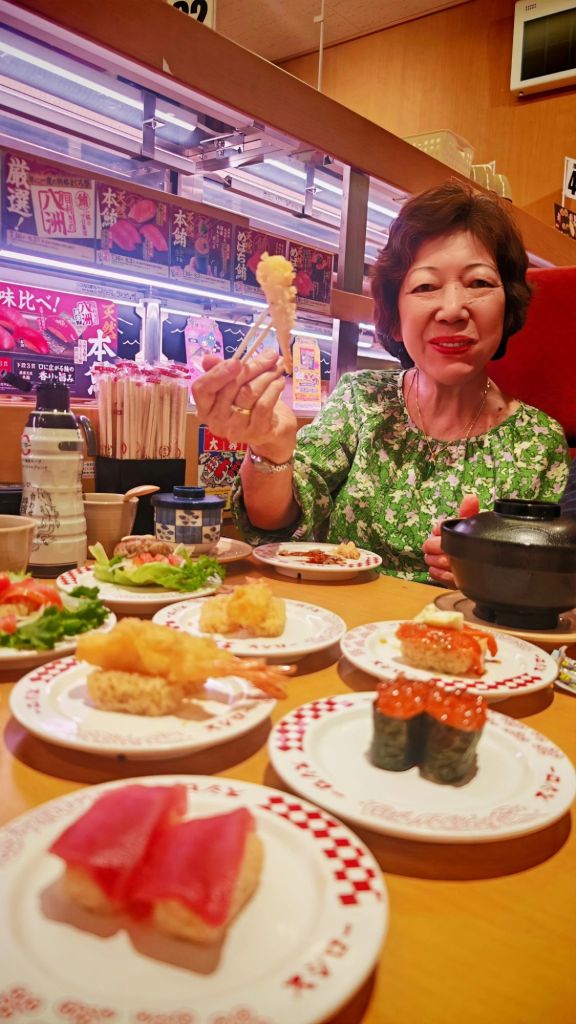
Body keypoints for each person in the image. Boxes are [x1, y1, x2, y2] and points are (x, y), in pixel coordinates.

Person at [192, 181, 570, 585]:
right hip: (340, 616)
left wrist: (487, 575)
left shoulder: (538, 442)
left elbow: (544, 579)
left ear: (508, 303)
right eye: (426, 286)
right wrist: (270, 447)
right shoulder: (361, 400)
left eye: (479, 283)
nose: (452, 309)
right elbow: (276, 525)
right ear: (396, 312)